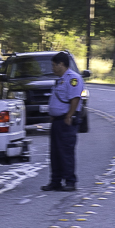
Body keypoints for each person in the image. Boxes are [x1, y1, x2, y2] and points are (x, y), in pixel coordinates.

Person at [41, 53, 83, 192]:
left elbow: (75, 98)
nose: (52, 68)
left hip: (66, 121)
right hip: (57, 121)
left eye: (54, 65)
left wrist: (69, 116)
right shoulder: (60, 79)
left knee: (65, 152)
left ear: (61, 64)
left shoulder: (73, 79)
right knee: (55, 153)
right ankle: (56, 181)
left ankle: (70, 181)